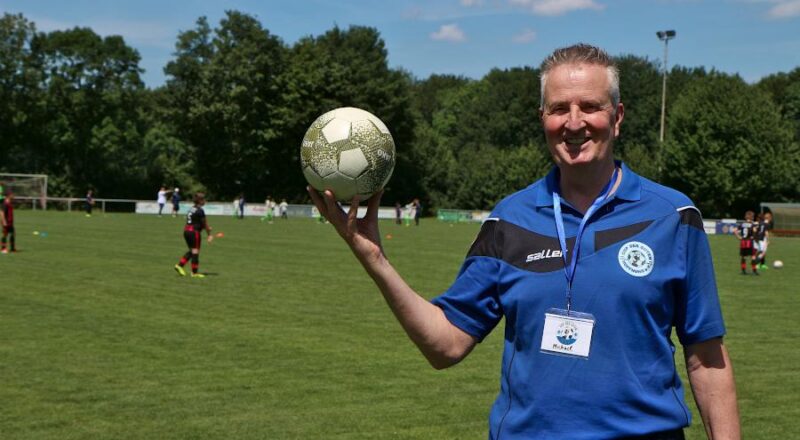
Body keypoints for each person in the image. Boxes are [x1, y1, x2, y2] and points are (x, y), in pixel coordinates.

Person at [308, 43, 740, 439]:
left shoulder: (673, 216)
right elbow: (445, 345)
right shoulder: (508, 220)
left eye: (590, 106)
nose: (574, 122)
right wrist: (375, 258)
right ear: (542, 119)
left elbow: (706, 356)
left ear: (618, 116)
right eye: (558, 109)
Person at [174, 192, 213, 278]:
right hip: (194, 232)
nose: (205, 201)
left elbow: (196, 222)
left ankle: (179, 266)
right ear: (200, 200)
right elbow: (204, 223)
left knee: (192, 251)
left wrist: (205, 228)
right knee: (195, 252)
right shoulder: (200, 210)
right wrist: (209, 234)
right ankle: (194, 273)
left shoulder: (191, 209)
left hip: (186, 231)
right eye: (204, 199)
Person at [734, 210, 758, 275]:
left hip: (743, 241)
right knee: (753, 256)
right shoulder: (752, 225)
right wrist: (754, 236)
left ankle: (743, 271)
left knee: (743, 256)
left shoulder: (742, 224)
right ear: (752, 217)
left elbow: (735, 230)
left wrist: (739, 237)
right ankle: (754, 271)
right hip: (749, 241)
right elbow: (755, 231)